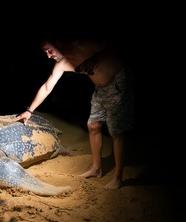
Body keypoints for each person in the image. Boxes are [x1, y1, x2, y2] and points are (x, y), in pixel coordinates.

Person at [15, 37, 135, 190]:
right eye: (45, 53)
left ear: (59, 43)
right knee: (93, 125)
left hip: (119, 82)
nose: (49, 55)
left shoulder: (82, 44)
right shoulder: (62, 64)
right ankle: (96, 169)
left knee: (116, 131)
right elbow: (47, 87)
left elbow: (117, 44)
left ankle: (118, 177)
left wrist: (95, 58)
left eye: (49, 50)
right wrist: (29, 110)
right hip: (101, 90)